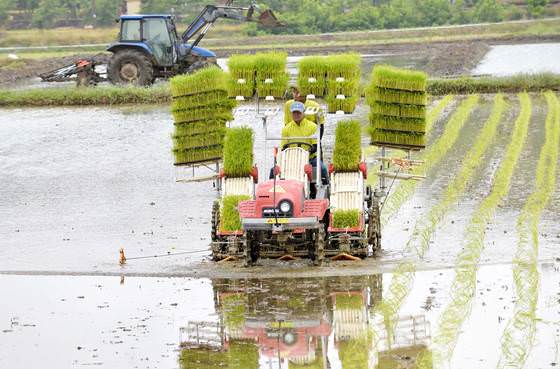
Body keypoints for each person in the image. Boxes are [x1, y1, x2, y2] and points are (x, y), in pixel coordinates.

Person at [278, 101, 328, 189]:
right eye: (294, 113)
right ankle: (273, 188)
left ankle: (325, 186)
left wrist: (305, 153)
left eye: (298, 112)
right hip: (292, 160)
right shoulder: (286, 129)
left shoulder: (313, 127)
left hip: (310, 158)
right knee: (274, 170)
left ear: (303, 113)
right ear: (291, 113)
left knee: (322, 168)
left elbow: (315, 146)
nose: (296, 115)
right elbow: (283, 147)